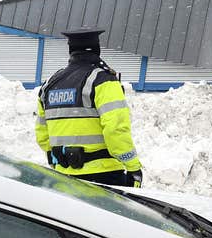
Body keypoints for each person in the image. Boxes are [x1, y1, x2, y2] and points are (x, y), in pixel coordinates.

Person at [35, 28, 143, 187]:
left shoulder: (50, 84)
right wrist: (133, 166)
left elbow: (42, 135)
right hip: (103, 178)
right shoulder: (103, 80)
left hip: (63, 177)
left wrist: (59, 158)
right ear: (97, 49)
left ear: (71, 51)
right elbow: (115, 129)